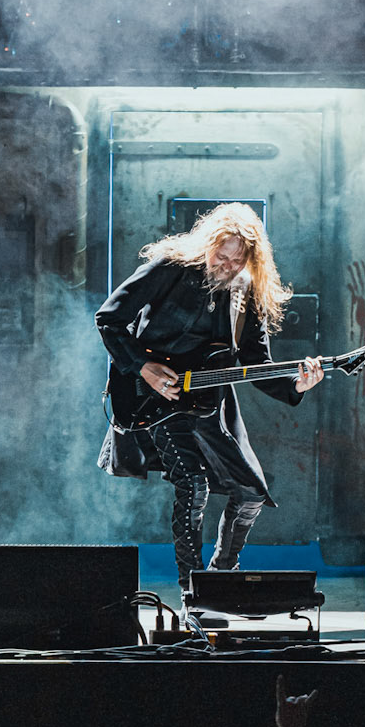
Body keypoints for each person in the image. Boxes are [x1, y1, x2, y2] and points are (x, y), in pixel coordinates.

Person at [96, 202, 323, 594]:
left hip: (210, 404)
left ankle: (220, 579)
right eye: (223, 254)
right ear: (208, 243)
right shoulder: (170, 267)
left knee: (251, 492)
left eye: (238, 260)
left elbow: (256, 363)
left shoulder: (245, 294)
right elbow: (109, 318)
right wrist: (143, 368)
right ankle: (192, 592)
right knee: (193, 486)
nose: (228, 265)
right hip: (156, 398)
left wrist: (296, 385)